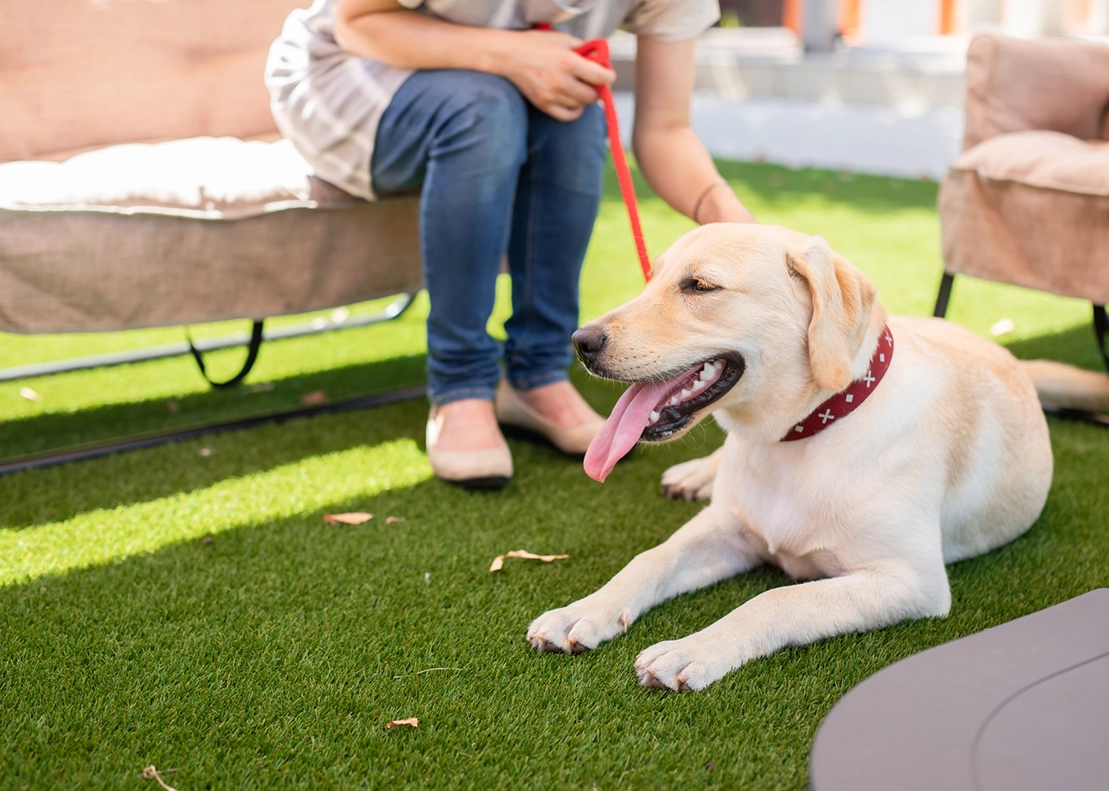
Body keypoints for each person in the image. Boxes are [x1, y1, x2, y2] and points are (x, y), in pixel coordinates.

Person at [266, 0, 755, 489]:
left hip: (496, 96)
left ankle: (537, 373)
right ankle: (460, 384)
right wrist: (511, 55)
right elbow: (358, 21)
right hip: (345, 75)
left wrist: (739, 229)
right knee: (484, 106)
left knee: (572, 106)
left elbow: (665, 130)